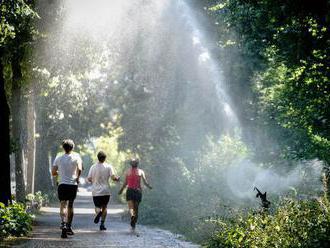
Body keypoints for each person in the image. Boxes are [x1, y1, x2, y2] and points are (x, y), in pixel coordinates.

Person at [51, 139, 82, 238]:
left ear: (63, 148)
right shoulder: (77, 157)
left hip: (62, 184)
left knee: (63, 204)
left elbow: (53, 172)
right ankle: (69, 226)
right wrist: (77, 177)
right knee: (71, 205)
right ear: (72, 148)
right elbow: (80, 169)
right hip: (72, 185)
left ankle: (63, 223)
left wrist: (60, 173)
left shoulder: (58, 157)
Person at [87, 151, 120, 230]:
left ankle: (98, 213)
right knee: (105, 207)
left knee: (97, 206)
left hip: (96, 191)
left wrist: (93, 182)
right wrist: (117, 179)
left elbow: (89, 178)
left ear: (97, 157)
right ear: (105, 158)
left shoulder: (93, 167)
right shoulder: (109, 166)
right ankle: (102, 224)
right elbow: (113, 177)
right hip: (106, 191)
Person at [118, 158, 152, 231]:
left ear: (131, 164)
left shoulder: (127, 172)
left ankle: (132, 216)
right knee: (136, 208)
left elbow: (125, 183)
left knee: (131, 208)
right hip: (138, 191)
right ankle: (134, 221)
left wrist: (121, 190)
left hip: (130, 190)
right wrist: (149, 187)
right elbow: (145, 182)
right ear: (137, 164)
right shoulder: (141, 171)